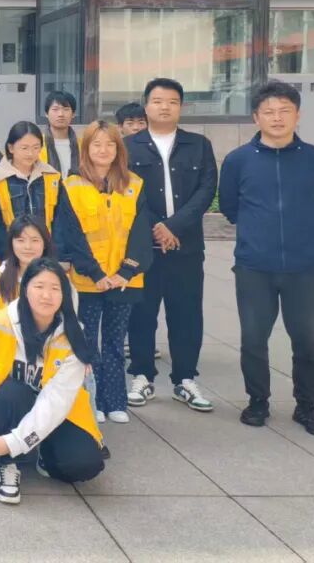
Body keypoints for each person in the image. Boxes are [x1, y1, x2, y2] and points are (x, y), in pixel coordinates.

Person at [219, 79, 314, 436]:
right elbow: (230, 206)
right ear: (256, 117)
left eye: (284, 111)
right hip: (254, 267)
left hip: (306, 268)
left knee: (307, 340)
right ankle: (258, 401)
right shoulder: (238, 160)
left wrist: (303, 228)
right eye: (269, 111)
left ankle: (307, 405)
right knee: (253, 339)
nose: (277, 118)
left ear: (297, 115)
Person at [0, 257, 104, 505]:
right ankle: (9, 464)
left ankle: (41, 450)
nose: (46, 295)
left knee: (84, 465)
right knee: (12, 391)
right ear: (25, 289)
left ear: (64, 295)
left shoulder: (73, 335)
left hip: (58, 412)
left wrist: (17, 440)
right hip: (10, 404)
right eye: (39, 286)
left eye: (55, 288)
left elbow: (56, 401)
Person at [125, 78, 218, 413]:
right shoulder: (128, 146)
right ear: (146, 105)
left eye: (172, 102)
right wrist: (156, 228)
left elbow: (207, 189)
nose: (165, 107)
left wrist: (173, 226)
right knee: (141, 313)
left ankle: (185, 379)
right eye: (158, 101)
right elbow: (127, 193)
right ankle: (141, 375)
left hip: (185, 245)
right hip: (142, 248)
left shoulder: (199, 145)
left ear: (181, 107)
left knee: (187, 314)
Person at [64, 120, 152, 424]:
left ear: (119, 149)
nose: (103, 150)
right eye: (96, 144)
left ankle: (114, 401)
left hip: (124, 281)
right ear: (85, 149)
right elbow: (70, 235)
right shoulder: (72, 186)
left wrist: (124, 273)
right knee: (87, 342)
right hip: (88, 280)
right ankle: (91, 401)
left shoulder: (134, 184)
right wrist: (95, 273)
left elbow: (141, 233)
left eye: (110, 144)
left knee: (116, 342)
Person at [0, 121, 106, 282]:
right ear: (11, 148)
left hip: (46, 262)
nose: (30, 153)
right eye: (24, 148)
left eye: (36, 147)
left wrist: (62, 259)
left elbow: (65, 222)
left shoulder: (51, 177)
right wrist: (11, 260)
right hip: (5, 263)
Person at [0, 214, 55, 340]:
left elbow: (67, 327)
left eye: (35, 240)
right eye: (20, 240)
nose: (28, 247)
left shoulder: (59, 282)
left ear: (45, 244)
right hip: (3, 351)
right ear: (11, 244)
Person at [39, 90, 80, 179]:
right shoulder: (37, 144)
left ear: (73, 114)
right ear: (46, 113)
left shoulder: (82, 144)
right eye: (55, 109)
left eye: (66, 109)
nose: (61, 114)